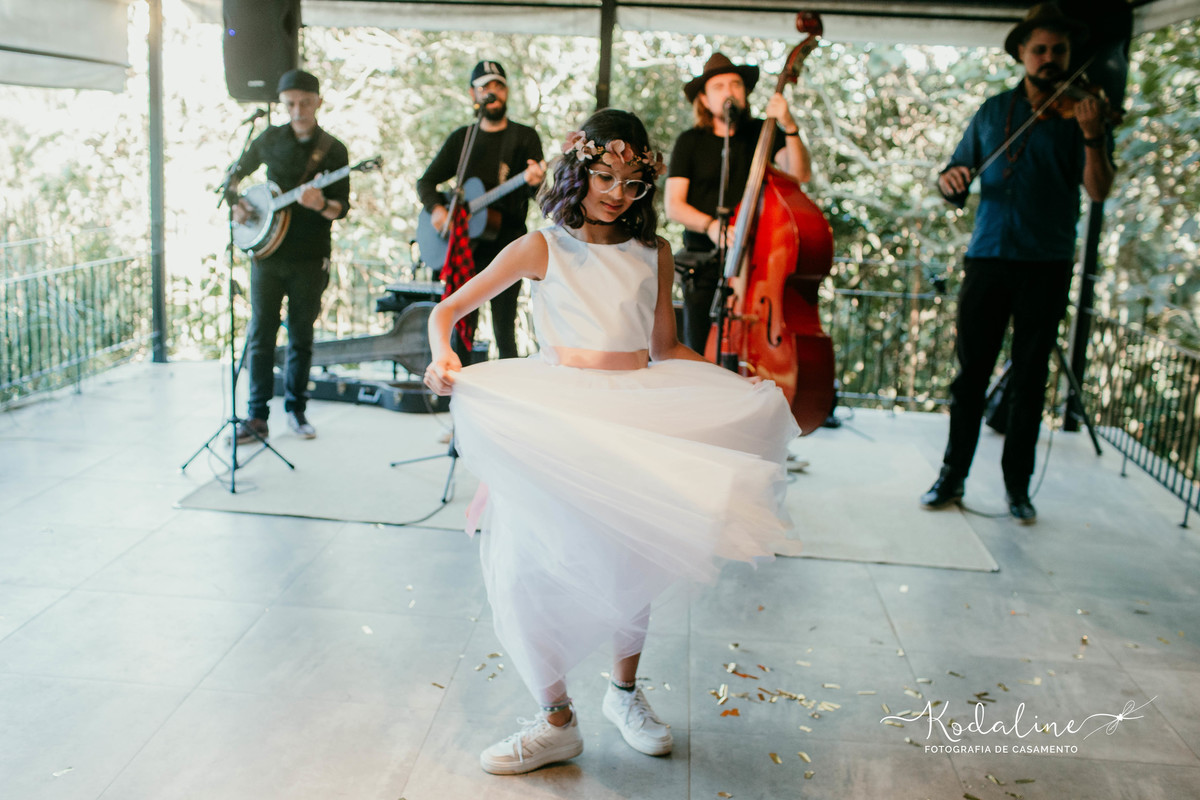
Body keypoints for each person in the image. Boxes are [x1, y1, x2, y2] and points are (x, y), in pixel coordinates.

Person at [423, 109, 799, 774]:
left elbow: (665, 346)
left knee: (629, 559)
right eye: (604, 175)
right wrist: (442, 357)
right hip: (555, 410)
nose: (617, 193)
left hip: (633, 409)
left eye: (632, 182)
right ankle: (554, 718)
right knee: (525, 566)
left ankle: (624, 695)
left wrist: (734, 381)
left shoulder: (652, 252)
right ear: (579, 168)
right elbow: (448, 310)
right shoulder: (543, 246)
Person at [920, 2, 1115, 524]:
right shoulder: (992, 111)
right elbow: (955, 171)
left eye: (1059, 51)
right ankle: (951, 476)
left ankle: (1017, 488)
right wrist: (951, 181)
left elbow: (1098, 190)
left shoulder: (1084, 113)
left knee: (1030, 381)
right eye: (1040, 50)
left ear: (1069, 56)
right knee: (970, 378)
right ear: (1023, 56)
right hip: (988, 258)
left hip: (1046, 263)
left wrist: (1093, 135)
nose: (1050, 59)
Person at [228, 69, 350, 444]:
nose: (298, 110)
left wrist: (321, 202)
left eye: (305, 103)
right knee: (261, 334)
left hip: (310, 257)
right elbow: (232, 178)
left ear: (317, 102)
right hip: (267, 254)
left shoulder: (334, 149)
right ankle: (256, 416)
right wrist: (240, 205)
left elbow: (341, 208)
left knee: (301, 336)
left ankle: (297, 411)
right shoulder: (269, 138)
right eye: (291, 104)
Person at [665, 52, 813, 353]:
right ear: (704, 100)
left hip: (756, 264)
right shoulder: (690, 141)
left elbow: (800, 174)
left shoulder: (763, 132)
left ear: (745, 93)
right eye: (719, 87)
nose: (729, 92)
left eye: (735, 84)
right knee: (698, 352)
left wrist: (789, 124)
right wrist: (710, 226)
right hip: (703, 263)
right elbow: (674, 205)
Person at [417, 60, 545, 361]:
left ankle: (507, 398)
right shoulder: (463, 139)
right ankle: (455, 390)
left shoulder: (524, 137)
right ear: (473, 95)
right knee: (460, 326)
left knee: (504, 330)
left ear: (507, 92)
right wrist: (436, 209)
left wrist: (536, 181)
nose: (492, 92)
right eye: (485, 87)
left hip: (508, 246)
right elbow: (426, 181)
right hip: (464, 246)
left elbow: (539, 195)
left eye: (498, 86)